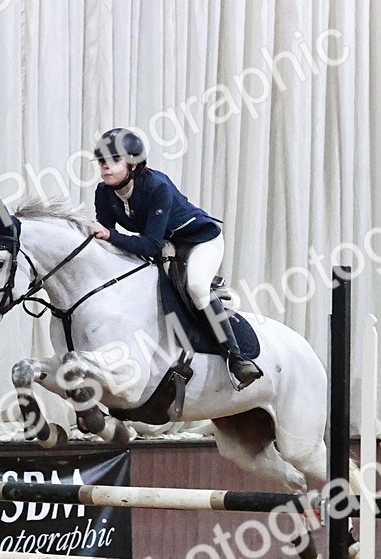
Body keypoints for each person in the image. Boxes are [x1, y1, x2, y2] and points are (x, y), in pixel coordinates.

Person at [90, 128, 263, 389]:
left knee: (195, 287)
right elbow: (107, 238)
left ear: (134, 163)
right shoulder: (103, 193)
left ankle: (236, 358)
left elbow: (148, 244)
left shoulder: (158, 186)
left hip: (200, 241)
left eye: (114, 161)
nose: (105, 167)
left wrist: (108, 235)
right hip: (168, 246)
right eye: (102, 162)